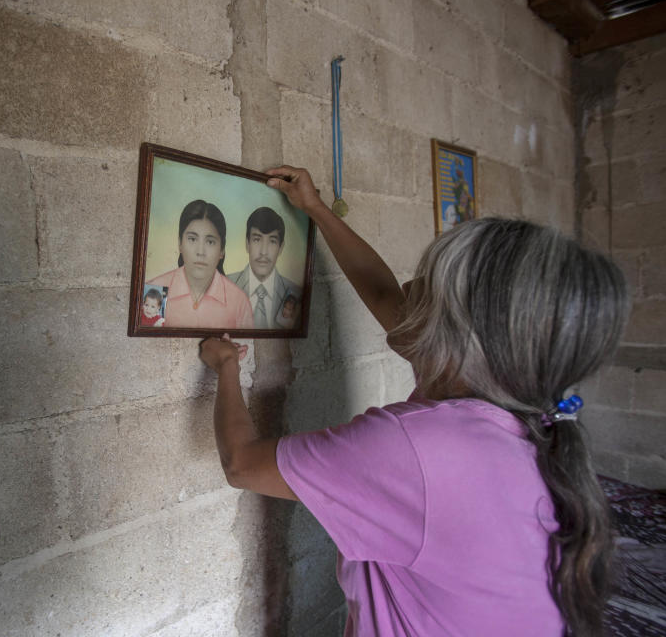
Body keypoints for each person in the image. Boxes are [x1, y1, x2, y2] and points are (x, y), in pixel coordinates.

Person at [198, 166, 629, 637]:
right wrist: (317, 210)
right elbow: (383, 294)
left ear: (456, 336)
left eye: (422, 284)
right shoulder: (518, 409)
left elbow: (241, 463)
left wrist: (226, 366)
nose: (404, 291)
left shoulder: (418, 448)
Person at [147, 200, 254, 329]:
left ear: (222, 250)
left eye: (210, 242)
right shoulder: (153, 288)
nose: (200, 252)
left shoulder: (239, 302)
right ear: (180, 243)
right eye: (192, 239)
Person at [227, 207, 302, 329]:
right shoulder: (224, 286)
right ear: (247, 244)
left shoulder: (298, 294)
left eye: (272, 241)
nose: (263, 252)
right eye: (257, 239)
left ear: (281, 248)